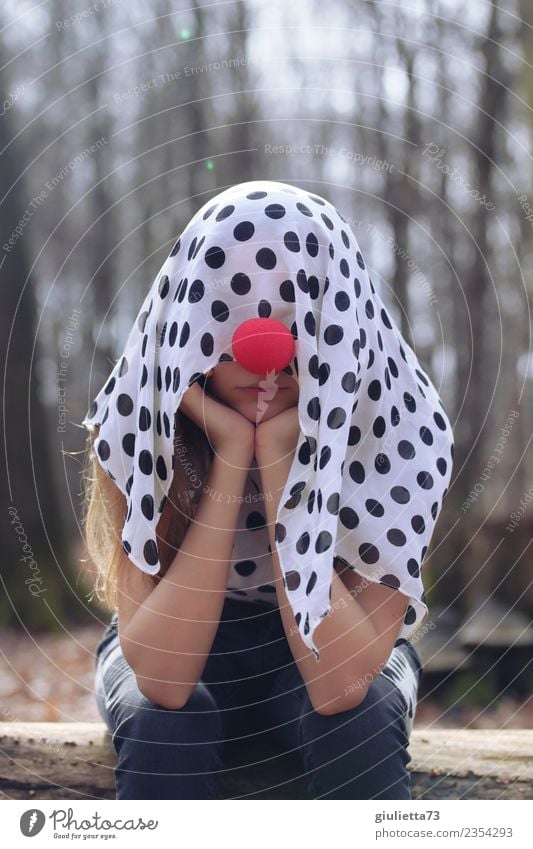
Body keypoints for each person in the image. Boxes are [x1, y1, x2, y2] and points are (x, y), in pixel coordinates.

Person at [82, 180, 453, 800]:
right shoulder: (137, 420)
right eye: (236, 331)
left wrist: (283, 457)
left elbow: (342, 685)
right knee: (163, 726)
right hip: (176, 643)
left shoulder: (402, 427)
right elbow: (165, 682)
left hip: (343, 646)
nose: (269, 362)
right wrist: (230, 455)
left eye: (297, 333)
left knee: (358, 727)